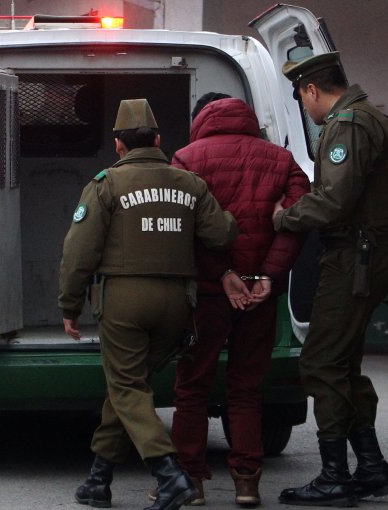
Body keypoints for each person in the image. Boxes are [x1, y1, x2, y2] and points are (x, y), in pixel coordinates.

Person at [59, 98, 238, 510]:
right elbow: (222, 235)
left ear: (119, 145)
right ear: (158, 139)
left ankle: (169, 474)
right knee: (129, 388)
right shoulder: (189, 183)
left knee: (126, 387)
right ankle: (98, 480)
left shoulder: (106, 184)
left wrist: (70, 305)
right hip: (179, 303)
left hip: (125, 301)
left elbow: (78, 253)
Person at [271, 52, 388, 507]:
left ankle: (335, 475)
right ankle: (371, 467)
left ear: (312, 89)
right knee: (344, 364)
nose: (305, 108)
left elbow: (334, 202)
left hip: (356, 258)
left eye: (301, 97)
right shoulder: (372, 116)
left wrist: (284, 217)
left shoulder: (347, 124)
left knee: (321, 363)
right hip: (372, 255)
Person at [165, 93, 310, 507]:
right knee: (246, 389)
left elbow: (185, 227)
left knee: (192, 387)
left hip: (210, 293)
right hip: (260, 294)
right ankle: (247, 482)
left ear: (202, 121)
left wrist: (223, 274)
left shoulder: (187, 158)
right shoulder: (281, 160)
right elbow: (298, 221)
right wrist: (267, 275)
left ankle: (191, 481)